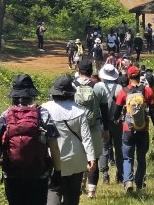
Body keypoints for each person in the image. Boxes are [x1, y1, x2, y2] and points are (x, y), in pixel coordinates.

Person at [0, 73, 61, 205]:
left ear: (14, 96)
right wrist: (58, 172)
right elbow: (54, 146)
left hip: (12, 174)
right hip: (38, 174)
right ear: (32, 94)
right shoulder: (43, 114)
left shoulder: (6, 115)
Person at [42, 74, 96, 205]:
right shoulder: (79, 111)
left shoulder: (45, 109)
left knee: (53, 189)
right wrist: (91, 157)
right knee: (72, 194)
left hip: (52, 157)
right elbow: (86, 137)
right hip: (75, 159)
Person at [115, 65, 154, 194]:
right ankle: (139, 182)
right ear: (140, 76)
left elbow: (116, 111)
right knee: (141, 158)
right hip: (143, 129)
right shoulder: (147, 90)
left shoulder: (124, 91)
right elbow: (153, 112)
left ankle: (128, 181)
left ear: (129, 76)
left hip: (128, 129)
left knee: (127, 158)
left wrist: (116, 120)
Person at [74, 57, 109, 199]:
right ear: (91, 71)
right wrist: (106, 130)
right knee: (93, 158)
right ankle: (91, 191)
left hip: (76, 129)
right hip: (93, 127)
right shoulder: (99, 87)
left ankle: (78, 186)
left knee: (78, 158)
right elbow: (105, 111)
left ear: (79, 71)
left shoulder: (72, 86)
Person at [97, 62, 124, 186]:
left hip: (102, 122)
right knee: (118, 147)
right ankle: (120, 173)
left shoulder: (98, 86)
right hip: (116, 121)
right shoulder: (119, 88)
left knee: (104, 147)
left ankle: (105, 174)